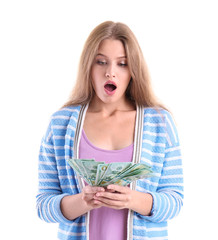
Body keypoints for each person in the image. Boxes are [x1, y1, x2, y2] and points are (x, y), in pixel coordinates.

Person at [36, 21, 184, 240]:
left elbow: (175, 201)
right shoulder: (61, 124)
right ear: (89, 66)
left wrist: (133, 200)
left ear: (133, 69)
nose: (110, 73)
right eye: (101, 62)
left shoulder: (160, 123)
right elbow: (43, 205)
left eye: (122, 64)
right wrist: (81, 202)